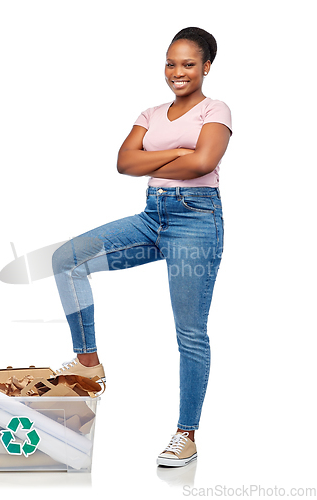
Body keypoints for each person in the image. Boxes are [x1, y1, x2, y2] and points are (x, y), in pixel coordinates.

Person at [51, 27, 232, 467]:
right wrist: (181, 152)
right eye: (171, 63)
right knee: (67, 260)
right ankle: (89, 361)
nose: (177, 72)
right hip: (153, 217)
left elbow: (205, 162)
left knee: (189, 333)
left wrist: (163, 157)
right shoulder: (151, 113)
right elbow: (124, 162)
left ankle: (185, 435)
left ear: (206, 66)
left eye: (188, 64)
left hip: (196, 221)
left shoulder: (216, 109)